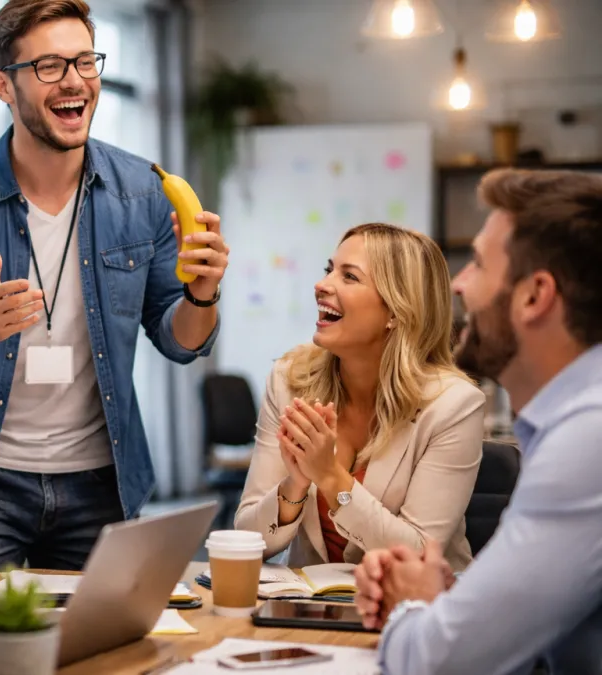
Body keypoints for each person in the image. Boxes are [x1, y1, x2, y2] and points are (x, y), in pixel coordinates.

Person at [0, 0, 229, 577]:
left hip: (100, 483)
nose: (74, 80)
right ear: (4, 85)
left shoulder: (143, 193)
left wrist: (202, 293)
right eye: (49, 66)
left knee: (98, 637)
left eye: (84, 61)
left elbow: (180, 342)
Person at [352, 169, 602, 675]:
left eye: (480, 264)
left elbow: (442, 662)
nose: (458, 283)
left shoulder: (587, 439)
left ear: (534, 296)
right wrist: (454, 602)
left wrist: (411, 606)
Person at [235, 223, 485, 570]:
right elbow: (246, 539)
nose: (322, 285)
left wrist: (329, 477)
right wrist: (295, 485)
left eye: (349, 277)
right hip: (308, 600)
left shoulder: (453, 405)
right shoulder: (290, 381)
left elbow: (417, 555)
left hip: (413, 600)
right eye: (329, 270)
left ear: (396, 310)